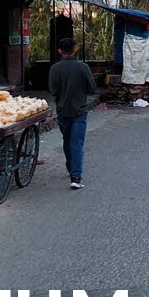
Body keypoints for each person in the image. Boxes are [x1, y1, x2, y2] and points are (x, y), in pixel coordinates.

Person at [49, 37, 98, 189]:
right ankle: (76, 177)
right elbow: (92, 88)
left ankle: (71, 168)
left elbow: (53, 90)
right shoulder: (82, 67)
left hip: (62, 111)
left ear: (60, 51)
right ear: (75, 49)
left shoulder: (55, 69)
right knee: (76, 142)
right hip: (79, 110)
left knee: (67, 140)